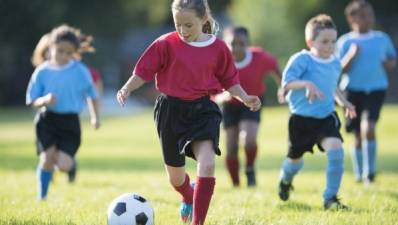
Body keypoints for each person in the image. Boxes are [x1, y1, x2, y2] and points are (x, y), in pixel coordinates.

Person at [116, 0, 261, 224]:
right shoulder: (165, 44)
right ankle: (188, 194)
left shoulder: (219, 48)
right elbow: (143, 71)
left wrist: (244, 97)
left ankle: (197, 222)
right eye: (178, 25)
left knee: (208, 163)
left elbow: (230, 80)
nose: (183, 31)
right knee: (175, 179)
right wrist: (126, 88)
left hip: (203, 111)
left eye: (189, 25)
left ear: (203, 20)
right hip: (170, 111)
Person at [277, 14, 356, 210]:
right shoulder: (302, 59)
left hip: (325, 118)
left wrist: (344, 102)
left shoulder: (335, 63)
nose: (330, 46)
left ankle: (330, 199)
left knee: (336, 149)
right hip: (301, 120)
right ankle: (285, 180)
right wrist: (306, 84)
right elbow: (286, 85)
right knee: (295, 162)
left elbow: (333, 87)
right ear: (310, 41)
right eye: (324, 42)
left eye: (333, 42)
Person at [26, 25, 100, 200]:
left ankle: (71, 165)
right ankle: (42, 196)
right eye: (60, 51)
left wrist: (95, 117)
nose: (64, 56)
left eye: (69, 53)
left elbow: (92, 95)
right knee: (46, 159)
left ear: (74, 52)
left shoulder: (80, 71)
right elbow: (31, 99)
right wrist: (44, 100)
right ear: (51, 47)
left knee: (63, 165)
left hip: (70, 123)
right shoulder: (42, 72)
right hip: (47, 120)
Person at [337, 0, 397, 183]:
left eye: (370, 15)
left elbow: (392, 60)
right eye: (363, 16)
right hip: (352, 92)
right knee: (357, 134)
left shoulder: (381, 38)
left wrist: (388, 64)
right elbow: (339, 69)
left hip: (376, 89)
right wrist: (351, 56)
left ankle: (369, 173)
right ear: (351, 18)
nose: (368, 19)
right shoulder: (345, 41)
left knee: (369, 127)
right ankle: (358, 173)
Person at [215, 26, 281, 187]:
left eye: (241, 43)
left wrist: (282, 88)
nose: (236, 47)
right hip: (229, 105)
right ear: (225, 44)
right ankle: (236, 184)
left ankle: (250, 169)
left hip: (252, 102)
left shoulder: (259, 57)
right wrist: (220, 97)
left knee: (249, 139)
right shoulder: (219, 61)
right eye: (232, 43)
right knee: (231, 147)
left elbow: (275, 67)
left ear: (247, 44)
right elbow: (208, 90)